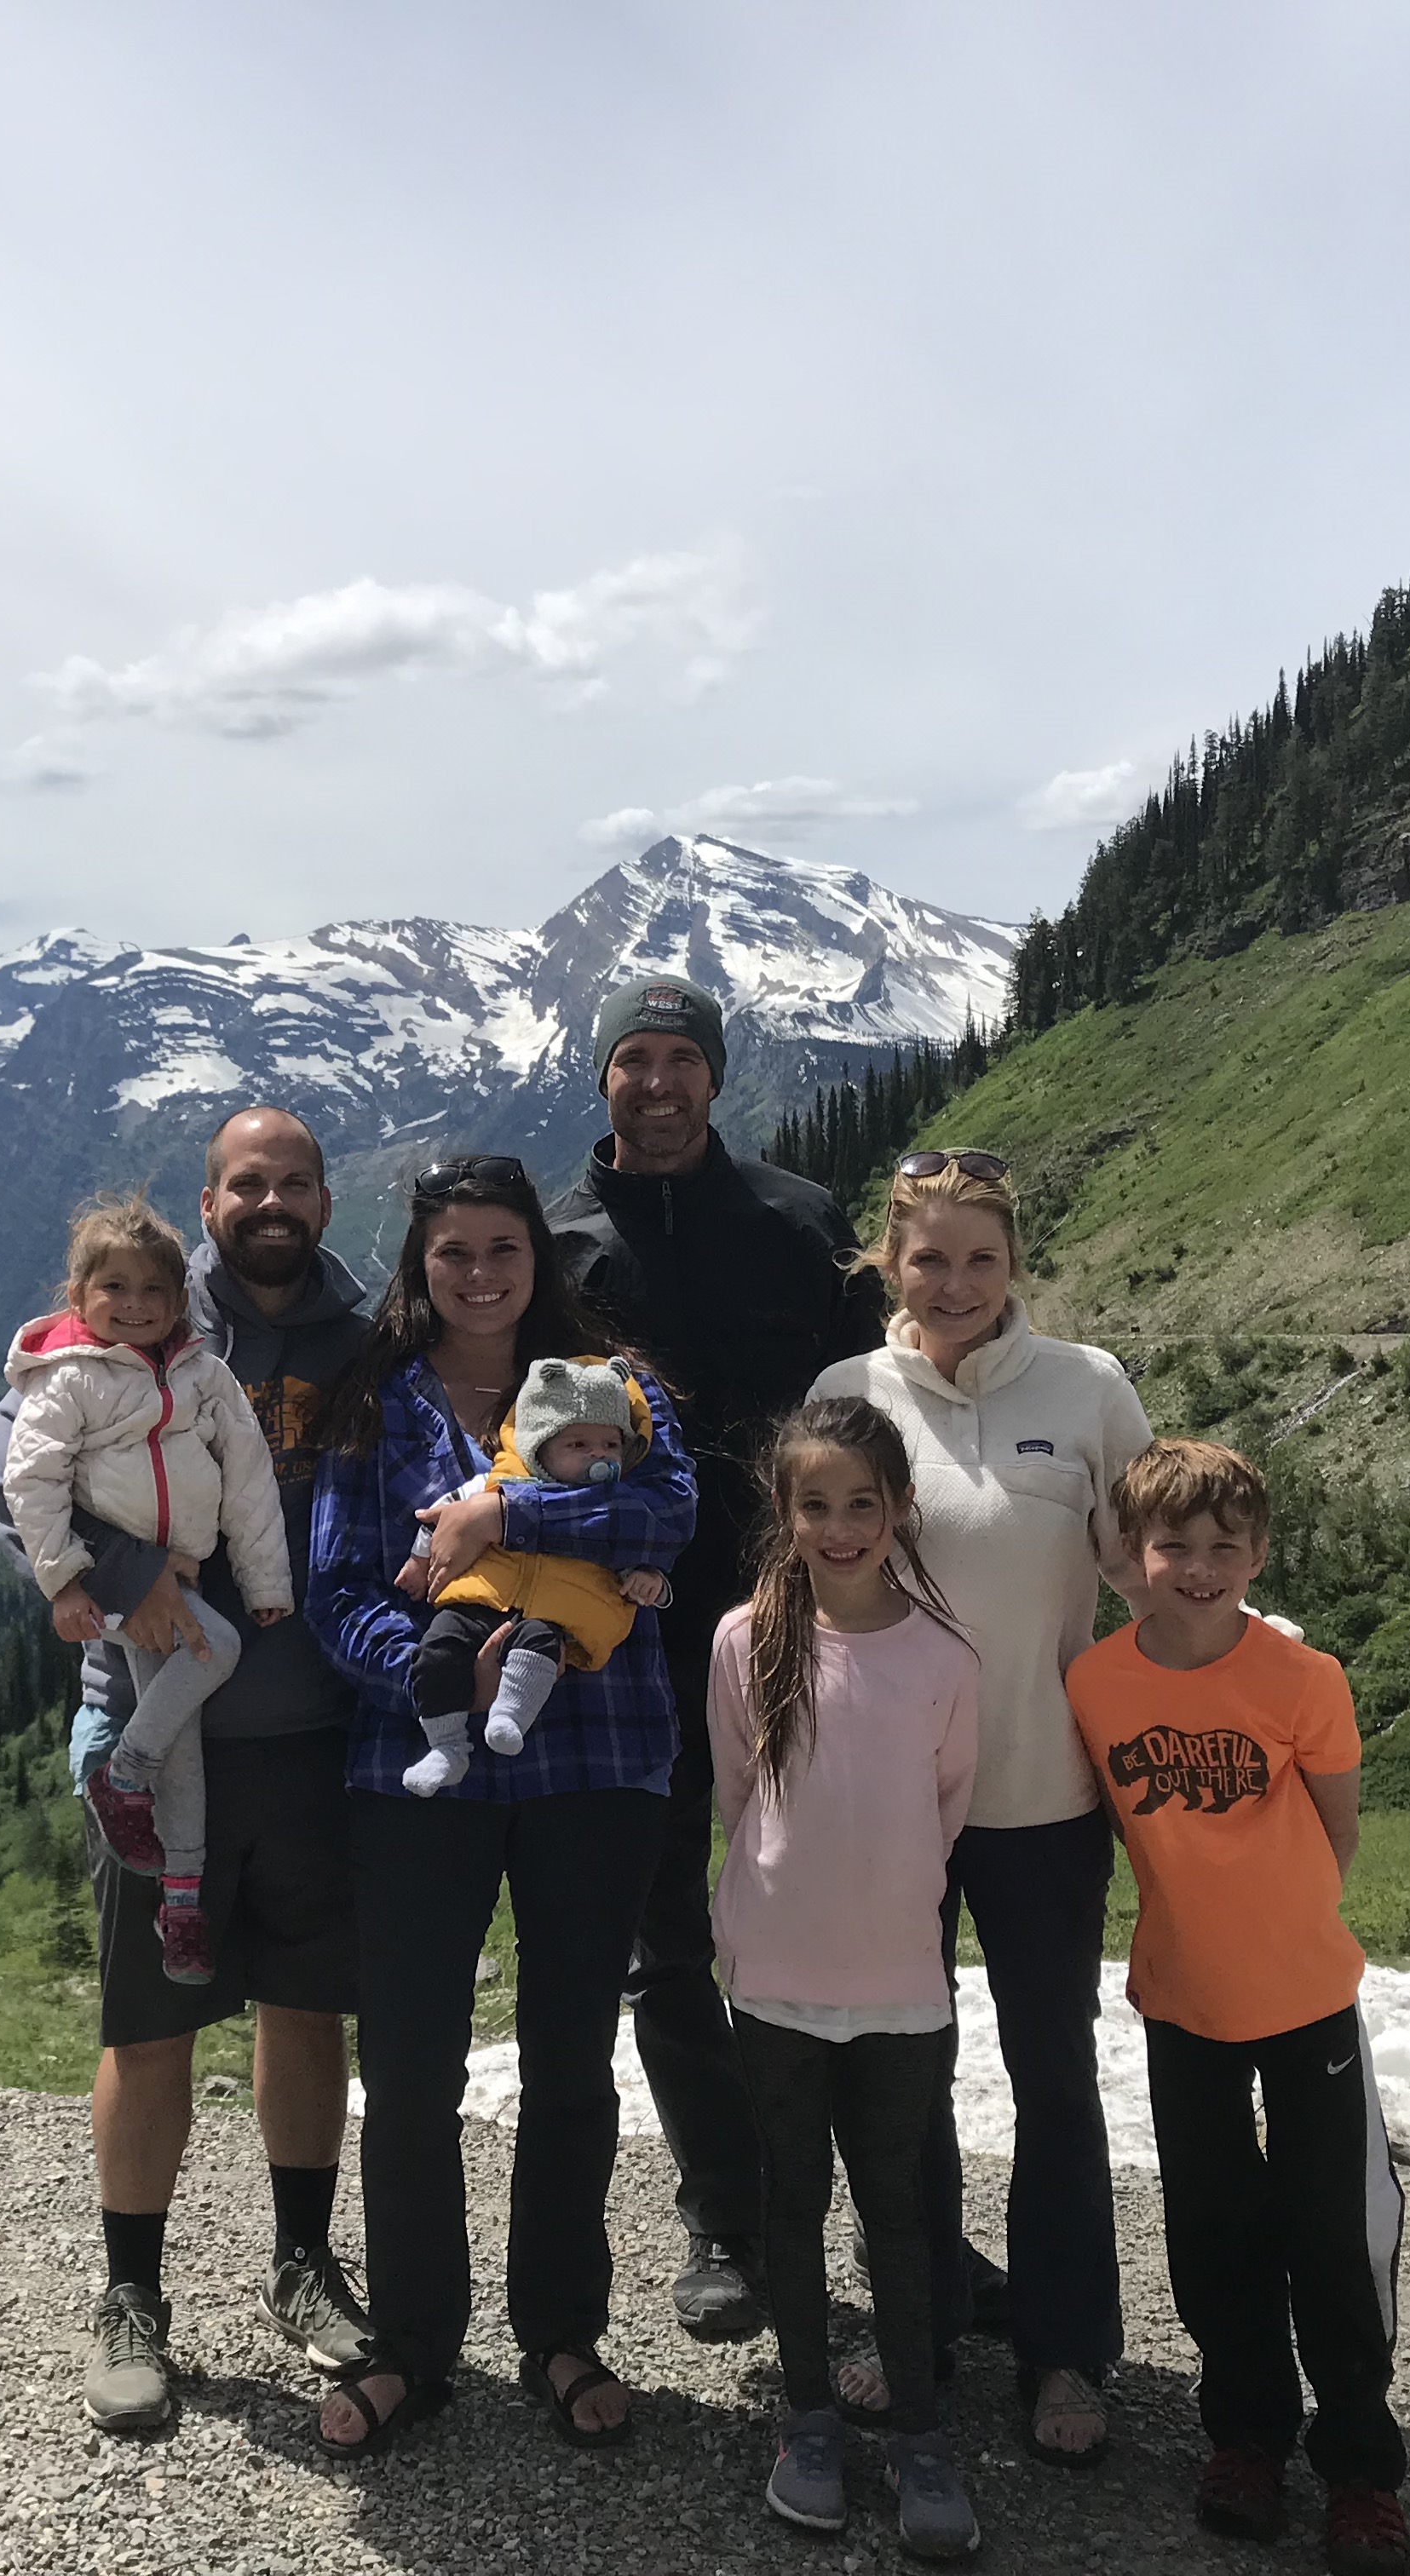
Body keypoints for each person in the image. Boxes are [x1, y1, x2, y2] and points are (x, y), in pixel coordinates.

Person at [0, 1107, 371, 2435]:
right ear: (210, 1205)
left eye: (294, 1183)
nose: (272, 1203)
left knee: (305, 2010)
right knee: (147, 2028)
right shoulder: (131, 1320)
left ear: (324, 1200)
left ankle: (303, 2265)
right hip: (152, 1736)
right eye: (247, 1184)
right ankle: (131, 2298)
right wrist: (129, 1575)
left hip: (310, 1738)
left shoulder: (363, 1340)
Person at [303, 1153, 695, 2458]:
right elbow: (336, 1592)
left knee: (570, 2061)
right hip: (417, 1765)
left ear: (541, 1254)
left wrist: (499, 1514)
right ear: (420, 1264)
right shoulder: (374, 1400)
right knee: (408, 2063)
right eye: (453, 1251)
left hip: (601, 1758)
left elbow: (669, 1511)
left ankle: (562, 2332)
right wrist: (427, 1675)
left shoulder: (614, 1382)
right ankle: (414, 2344)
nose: (478, 1274)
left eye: (502, 1248)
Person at [548, 974, 880, 2341]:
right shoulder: (558, 1247)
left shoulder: (801, 1223)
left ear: (716, 1076)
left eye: (681, 1058)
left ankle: (899, 2219)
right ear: (603, 1078)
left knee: (845, 1922)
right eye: (635, 1058)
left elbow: (874, 1420)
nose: (659, 1082)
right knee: (669, 1943)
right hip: (627, 1648)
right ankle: (728, 2225)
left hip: (802, 1628)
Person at [808, 1148, 1151, 2469]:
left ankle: (1065, 2348)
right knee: (904, 2080)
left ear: (1016, 1266)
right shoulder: (851, 1394)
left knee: (1053, 2075)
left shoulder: (1088, 1386)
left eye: (981, 1260)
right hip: (891, 1798)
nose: (955, 1284)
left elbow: (1150, 1564)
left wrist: (1249, 1667)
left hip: (1045, 1793)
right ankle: (923, 2330)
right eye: (929, 1258)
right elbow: (813, 1570)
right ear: (889, 1262)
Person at [1069, 1440, 1410, 2576]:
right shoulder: (1096, 1682)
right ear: (1133, 1554)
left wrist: (1281, 1925)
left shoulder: (1304, 1680)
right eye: (1174, 1545)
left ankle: (1360, 2466)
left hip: (1306, 1995)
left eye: (1225, 1546)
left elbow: (1338, 1827)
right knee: (1213, 2229)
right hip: (1183, 1999)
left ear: (1260, 1554)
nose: (1200, 1568)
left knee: (1332, 2235)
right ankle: (1248, 2437)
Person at [710, 1396, 984, 2559]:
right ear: (784, 1513)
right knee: (794, 2199)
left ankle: (920, 2432)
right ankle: (809, 2419)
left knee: (897, 2209)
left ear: (900, 1510)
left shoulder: (944, 1657)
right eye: (815, 1505)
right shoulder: (744, 1642)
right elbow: (739, 1796)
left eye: (862, 1504)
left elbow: (947, 1807)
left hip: (900, 1988)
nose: (840, 1528)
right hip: (774, 1977)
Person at [0, 1193, 298, 1984]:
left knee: (184, 1747)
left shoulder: (203, 1375)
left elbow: (249, 1479)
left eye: (153, 1290)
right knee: (216, 1651)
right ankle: (124, 1775)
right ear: (78, 1296)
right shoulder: (67, 1380)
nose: (135, 1305)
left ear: (179, 1299)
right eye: (115, 1288)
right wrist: (68, 1582)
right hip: (117, 1581)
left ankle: (182, 1903)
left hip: (181, 1573)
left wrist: (265, 1579)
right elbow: (29, 1481)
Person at [398, 1354, 676, 1794]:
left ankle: (510, 1716)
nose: (598, 1455)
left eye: (610, 1445)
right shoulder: (496, 1484)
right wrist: (418, 1561)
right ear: (541, 1448)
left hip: (551, 1619)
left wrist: (652, 1582)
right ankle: (445, 1745)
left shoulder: (613, 1508)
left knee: (540, 1645)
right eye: (578, 1445)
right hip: (479, 1602)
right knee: (439, 1647)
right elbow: (439, 1517)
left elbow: (639, 1551)